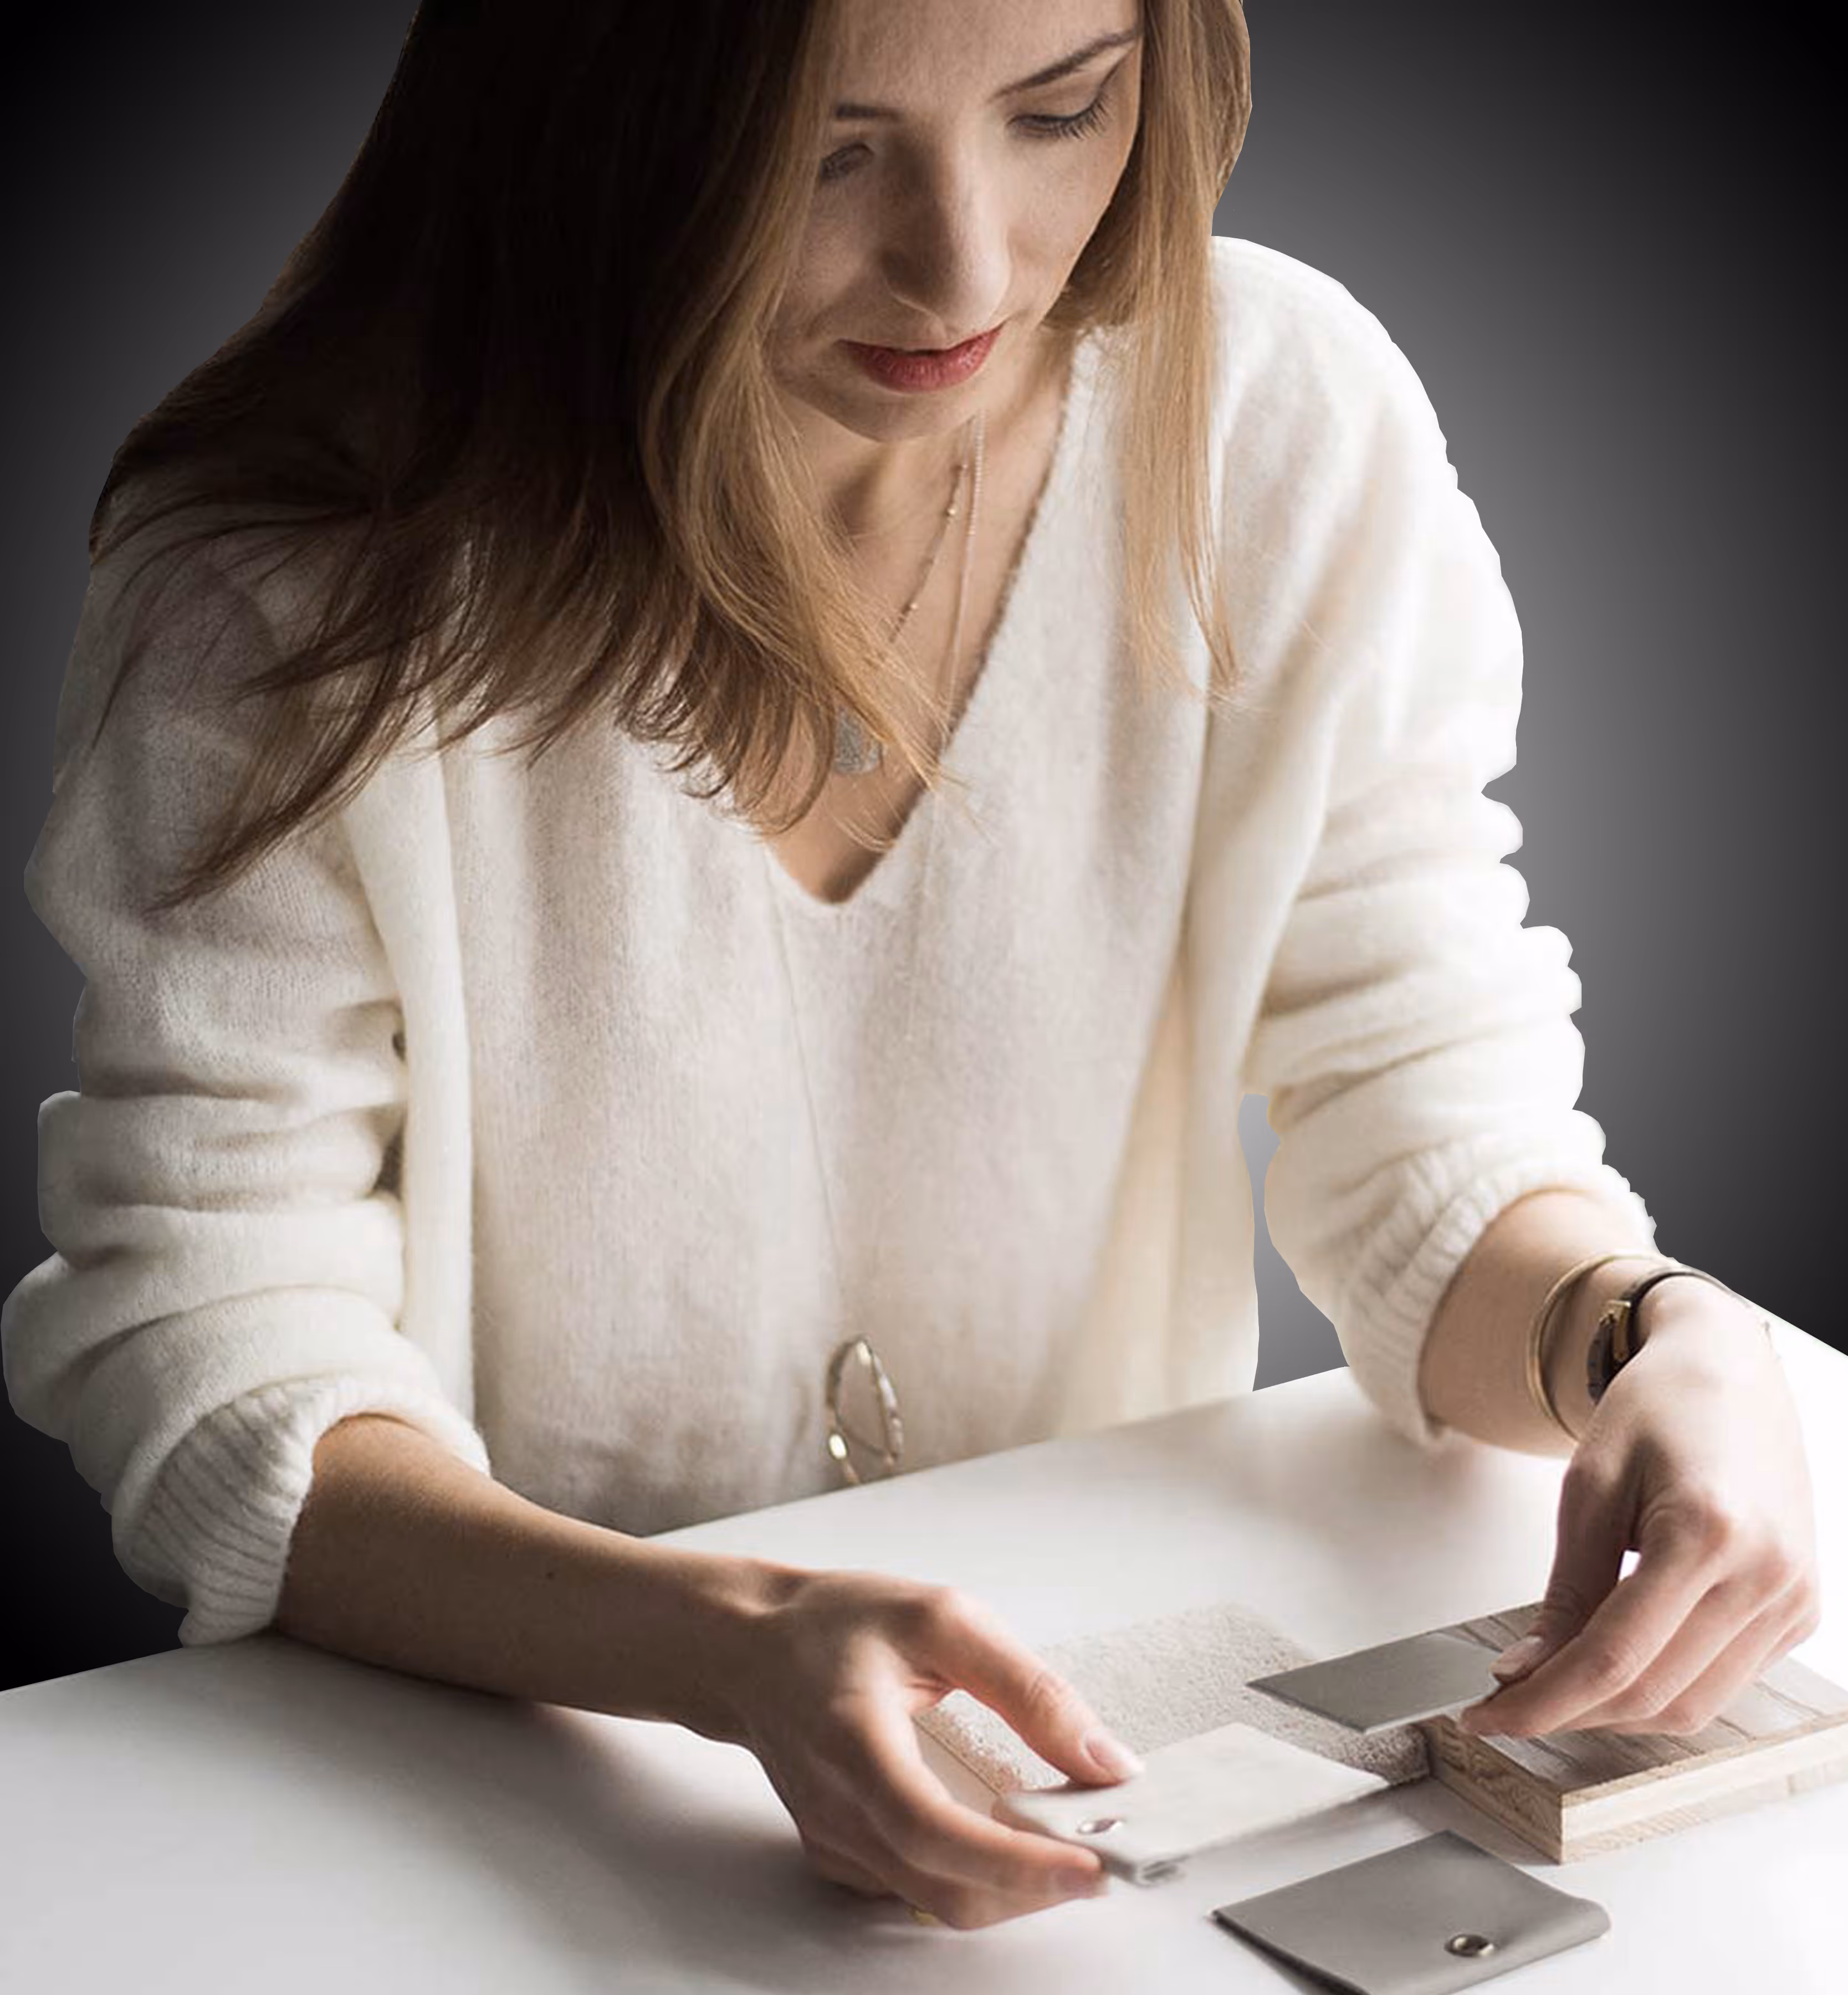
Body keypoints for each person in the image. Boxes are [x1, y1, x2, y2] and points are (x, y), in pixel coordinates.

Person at [0, 0, 1820, 1934]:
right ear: (582, 127)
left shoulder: (1278, 418)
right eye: (819, 154)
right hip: (501, 1790)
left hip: (1101, 1780)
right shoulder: (290, 587)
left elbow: (1421, 1120)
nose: (965, 262)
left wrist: (1652, 1335)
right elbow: (213, 1344)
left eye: (1060, 110)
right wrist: (720, 1644)